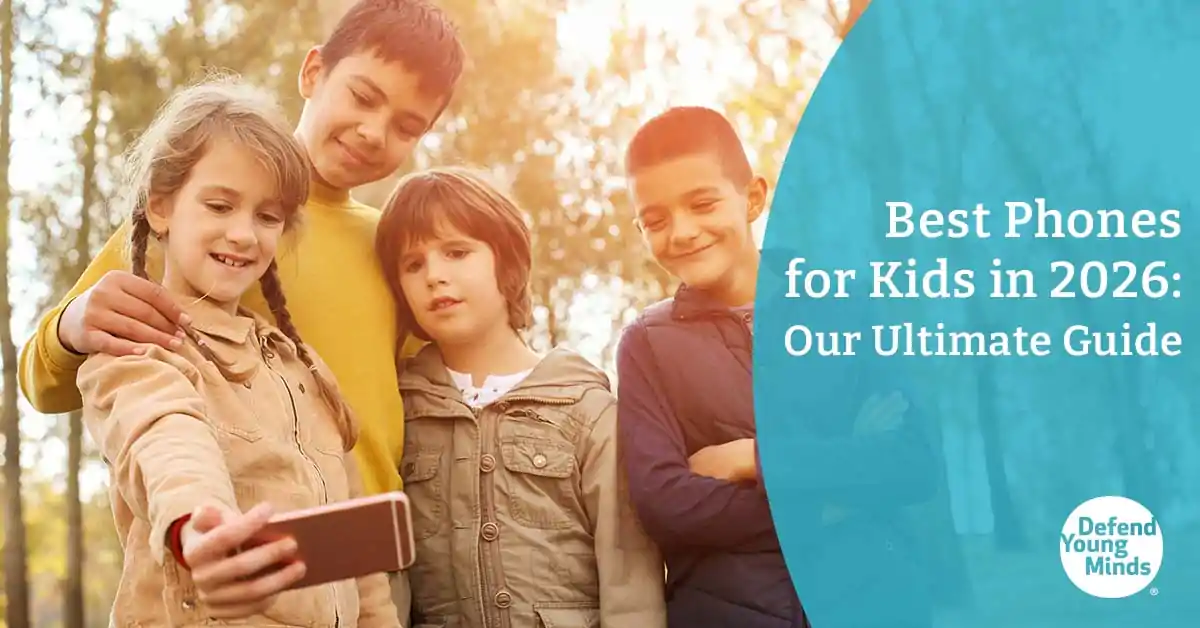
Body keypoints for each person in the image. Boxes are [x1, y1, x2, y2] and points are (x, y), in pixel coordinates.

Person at [19, 0, 465, 500]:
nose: (373, 131)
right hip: (239, 540)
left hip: (380, 552)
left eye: (406, 127)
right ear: (314, 72)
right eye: (362, 96)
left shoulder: (395, 246)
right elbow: (44, 383)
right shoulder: (197, 220)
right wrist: (72, 326)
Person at [78, 75, 399, 626]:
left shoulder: (304, 367)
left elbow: (359, 563)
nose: (244, 234)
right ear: (161, 208)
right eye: (220, 206)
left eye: (267, 216)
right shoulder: (140, 347)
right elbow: (164, 437)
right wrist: (199, 528)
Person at [614, 106, 937, 628]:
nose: (682, 231)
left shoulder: (846, 305)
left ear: (754, 198)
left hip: (872, 599)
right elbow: (666, 504)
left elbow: (910, 462)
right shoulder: (647, 345)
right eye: (655, 219)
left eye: (702, 203)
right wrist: (831, 501)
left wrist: (755, 459)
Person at [375, 167, 668, 628]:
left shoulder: (584, 408)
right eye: (413, 263)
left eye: (456, 252)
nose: (434, 275)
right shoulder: (400, 407)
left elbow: (629, 576)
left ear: (507, 263)